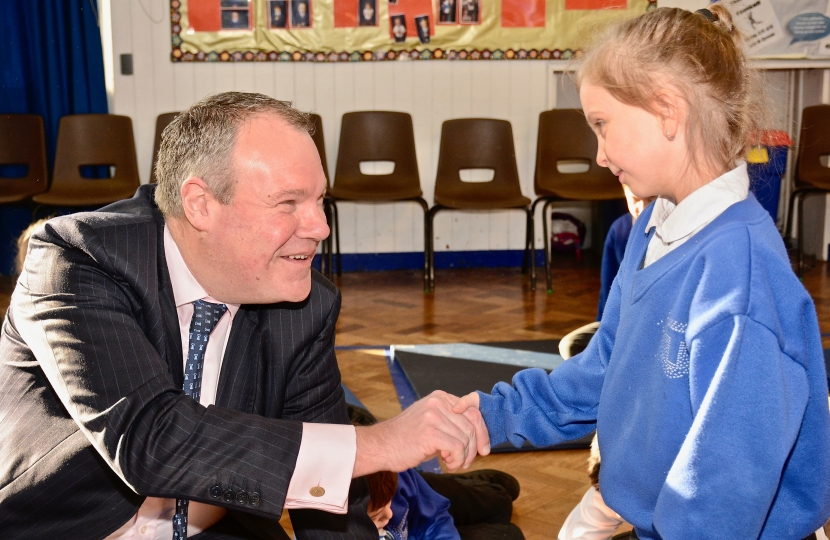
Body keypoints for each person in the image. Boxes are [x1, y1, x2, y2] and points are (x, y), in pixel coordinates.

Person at [0, 92, 489, 539]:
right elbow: (151, 440)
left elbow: (328, 498)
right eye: (288, 203)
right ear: (200, 204)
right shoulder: (76, 259)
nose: (319, 226)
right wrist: (381, 443)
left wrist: (367, 452)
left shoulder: (306, 302)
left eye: (319, 199)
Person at [455, 5, 830, 539]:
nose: (601, 156)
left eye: (603, 127)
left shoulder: (738, 280)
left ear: (668, 111)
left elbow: (724, 493)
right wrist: (493, 416)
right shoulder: (655, 221)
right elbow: (608, 364)